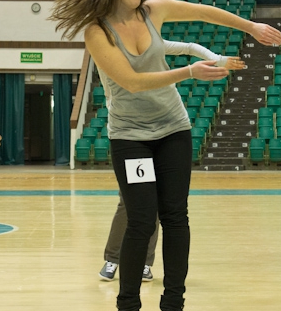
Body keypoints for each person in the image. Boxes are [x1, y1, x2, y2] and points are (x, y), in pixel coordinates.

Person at [50, 0, 281, 311]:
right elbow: (132, 82)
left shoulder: (153, 11)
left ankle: (173, 307)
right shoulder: (98, 31)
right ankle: (127, 309)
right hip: (130, 139)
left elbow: (205, 12)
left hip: (173, 130)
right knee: (140, 221)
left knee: (176, 218)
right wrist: (190, 72)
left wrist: (251, 28)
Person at [99, 41, 245, 283]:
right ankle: (113, 258)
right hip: (134, 136)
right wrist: (189, 71)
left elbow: (188, 47)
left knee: (156, 202)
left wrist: (217, 58)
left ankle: (146, 262)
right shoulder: (105, 48)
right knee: (131, 204)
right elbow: (131, 84)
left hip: (165, 134)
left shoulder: (147, 42)